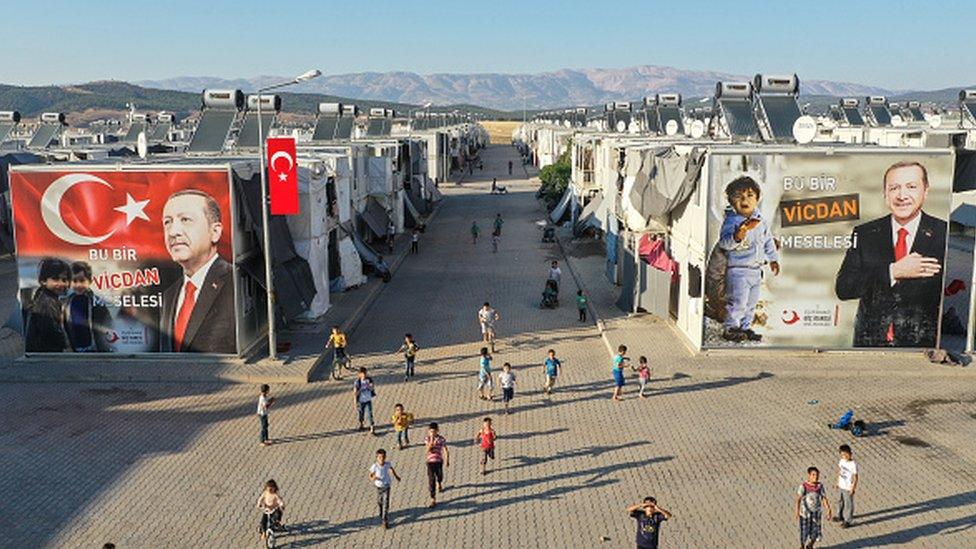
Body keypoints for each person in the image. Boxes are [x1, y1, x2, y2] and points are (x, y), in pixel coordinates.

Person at [835, 161, 947, 347]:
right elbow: (844, 288)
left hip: (921, 348)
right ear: (885, 194)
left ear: (925, 190)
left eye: (911, 187)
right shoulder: (865, 233)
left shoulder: (943, 233)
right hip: (869, 345)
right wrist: (893, 272)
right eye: (894, 188)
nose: (902, 196)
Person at [159, 190, 235, 353]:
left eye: (185, 220)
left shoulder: (234, 282)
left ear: (215, 232)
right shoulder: (170, 294)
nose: (173, 232)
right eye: (167, 222)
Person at [717, 176, 780, 343]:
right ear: (731, 200)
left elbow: (768, 241)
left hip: (756, 270)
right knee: (738, 302)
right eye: (739, 196)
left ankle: (745, 327)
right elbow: (725, 243)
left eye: (750, 195)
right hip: (738, 270)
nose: (745, 199)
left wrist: (773, 259)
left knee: (751, 303)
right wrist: (740, 233)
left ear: (758, 199)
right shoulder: (732, 221)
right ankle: (731, 327)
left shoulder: (761, 221)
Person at [62, 261, 113, 352]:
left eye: (82, 280)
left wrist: (106, 347)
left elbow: (108, 324)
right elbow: (64, 326)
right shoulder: (66, 303)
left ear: (89, 281)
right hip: (75, 350)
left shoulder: (96, 302)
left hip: (95, 349)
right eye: (74, 281)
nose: (78, 285)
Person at [25, 258, 70, 353]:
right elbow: (50, 331)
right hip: (46, 353)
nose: (61, 283)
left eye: (64, 279)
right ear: (43, 280)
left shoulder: (44, 294)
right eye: (55, 279)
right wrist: (64, 343)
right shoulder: (47, 303)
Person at [795, 467, 833, 549]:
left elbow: (823, 498)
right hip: (805, 513)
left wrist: (828, 509)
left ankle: (810, 545)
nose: (815, 477)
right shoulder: (803, 486)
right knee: (804, 530)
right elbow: (798, 499)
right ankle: (802, 546)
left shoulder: (819, 486)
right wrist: (797, 511)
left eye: (817, 475)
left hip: (816, 513)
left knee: (815, 530)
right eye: (813, 475)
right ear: (809, 475)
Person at [369, 448, 401, 529]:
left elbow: (391, 469)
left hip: (387, 485)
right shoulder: (375, 466)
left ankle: (385, 520)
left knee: (386, 503)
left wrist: (396, 476)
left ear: (385, 457)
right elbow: (370, 475)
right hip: (379, 487)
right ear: (376, 458)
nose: (381, 459)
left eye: (383, 457)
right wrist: (373, 478)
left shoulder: (387, 464)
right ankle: (381, 512)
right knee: (379, 502)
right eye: (379, 457)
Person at [425, 422, 449, 508]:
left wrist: (447, 460)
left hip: (439, 461)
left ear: (437, 431)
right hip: (430, 462)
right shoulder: (427, 439)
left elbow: (445, 449)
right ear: (428, 431)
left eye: (434, 431)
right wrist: (431, 441)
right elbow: (427, 450)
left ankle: (439, 483)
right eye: (431, 431)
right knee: (431, 480)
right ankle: (433, 498)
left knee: (440, 476)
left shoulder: (441, 439)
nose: (433, 433)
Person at [834, 444, 859, 528]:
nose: (844, 456)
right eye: (842, 455)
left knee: (848, 504)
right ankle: (839, 515)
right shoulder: (841, 461)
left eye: (846, 454)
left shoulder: (853, 464)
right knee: (839, 501)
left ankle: (848, 520)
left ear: (850, 453)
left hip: (848, 487)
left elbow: (855, 477)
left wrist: (853, 488)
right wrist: (837, 482)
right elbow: (840, 472)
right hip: (841, 485)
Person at [354, 367, 377, 434]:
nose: (364, 375)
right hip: (361, 401)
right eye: (362, 373)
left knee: (370, 413)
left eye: (365, 373)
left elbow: (372, 388)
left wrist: (370, 387)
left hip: (368, 400)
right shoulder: (357, 382)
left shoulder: (369, 380)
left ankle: (372, 427)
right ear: (359, 374)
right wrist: (355, 402)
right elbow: (355, 393)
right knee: (361, 413)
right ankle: (361, 424)